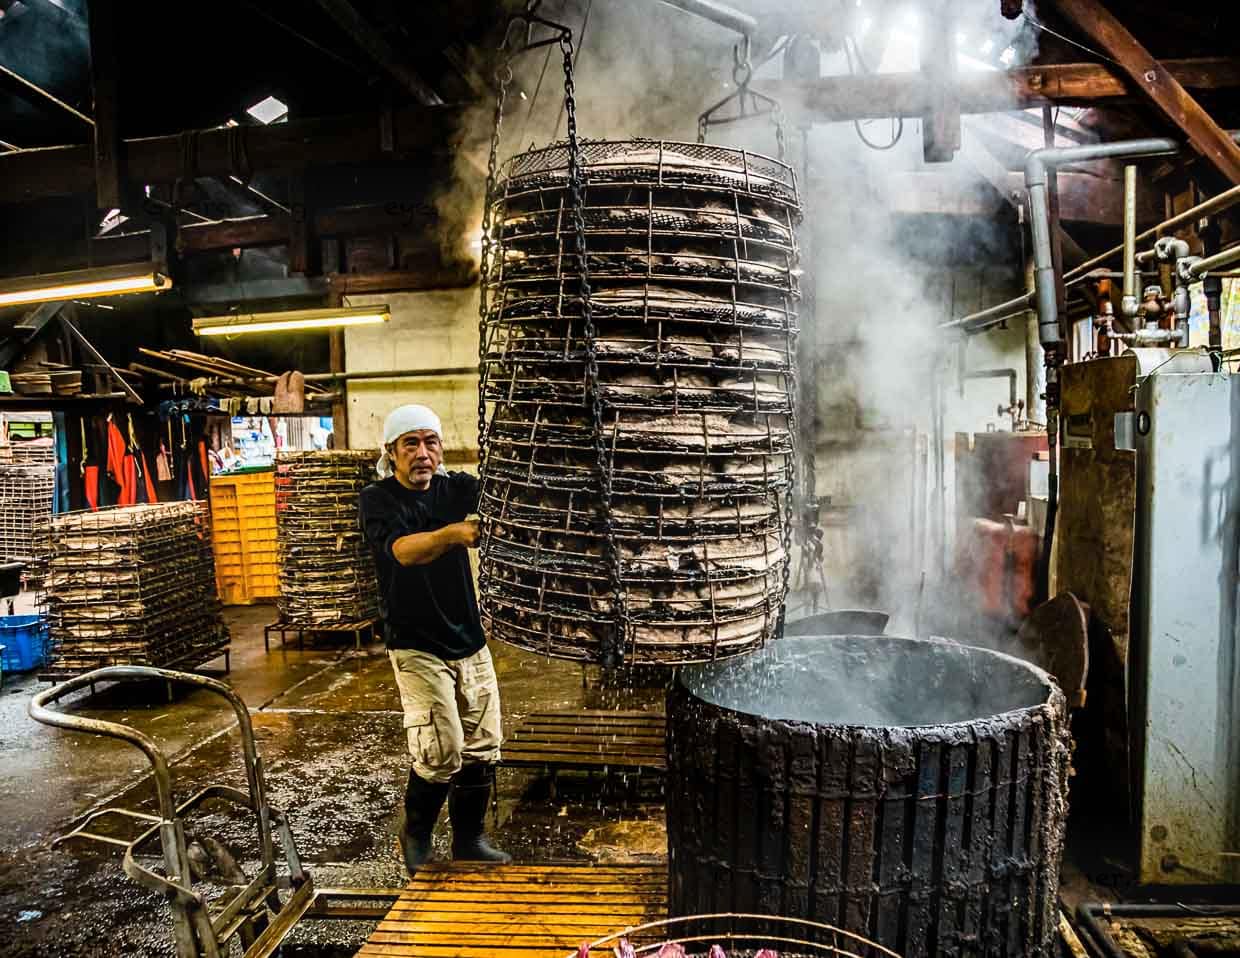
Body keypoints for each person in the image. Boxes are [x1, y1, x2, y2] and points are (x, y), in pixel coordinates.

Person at [359, 403, 510, 874]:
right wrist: (453, 533)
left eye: (431, 442)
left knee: (483, 744)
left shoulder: (455, 488)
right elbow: (404, 551)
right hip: (416, 643)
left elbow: (506, 492)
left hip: (469, 638)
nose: (423, 454)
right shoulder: (378, 499)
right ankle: (417, 833)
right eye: (411, 444)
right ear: (392, 452)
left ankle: (470, 839)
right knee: (441, 748)